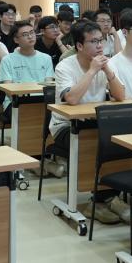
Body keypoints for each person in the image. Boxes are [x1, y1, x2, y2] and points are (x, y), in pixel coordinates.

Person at [50, 21, 124, 206]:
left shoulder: (106, 63)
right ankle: (103, 199)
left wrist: (107, 71)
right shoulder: (65, 66)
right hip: (65, 126)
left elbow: (120, 96)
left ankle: (107, 195)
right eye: (93, 41)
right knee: (96, 144)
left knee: (119, 142)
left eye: (101, 40)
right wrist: (92, 70)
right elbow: (72, 99)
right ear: (80, 46)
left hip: (96, 123)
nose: (100, 46)